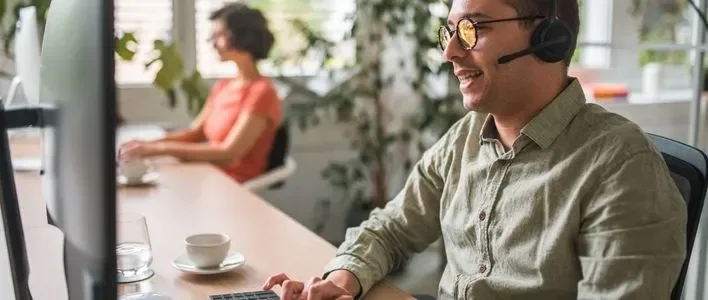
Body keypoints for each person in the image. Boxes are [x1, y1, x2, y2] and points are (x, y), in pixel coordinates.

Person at [263, 0, 687, 299]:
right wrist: (343, 279)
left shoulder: (621, 167)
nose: (449, 52)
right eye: (448, 31)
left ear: (548, 39)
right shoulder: (465, 138)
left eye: (472, 29)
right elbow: (391, 229)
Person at [119, 3, 282, 183]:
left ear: (242, 36)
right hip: (206, 173)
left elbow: (229, 153)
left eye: (219, 35)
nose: (212, 43)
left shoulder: (262, 93)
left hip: (231, 184)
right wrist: (148, 144)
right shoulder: (224, 86)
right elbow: (195, 133)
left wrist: (160, 149)